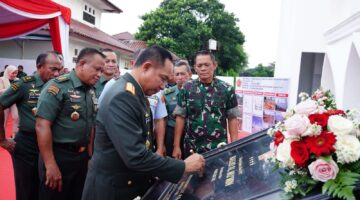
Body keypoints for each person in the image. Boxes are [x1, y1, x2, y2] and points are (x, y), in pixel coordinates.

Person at [81, 45, 205, 200]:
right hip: (114, 190)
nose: (163, 86)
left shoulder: (136, 93)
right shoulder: (123, 97)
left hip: (130, 183)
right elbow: (136, 156)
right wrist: (183, 166)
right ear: (146, 67)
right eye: (163, 78)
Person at [35, 48, 105, 200]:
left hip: (81, 157)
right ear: (82, 64)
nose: (99, 75)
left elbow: (91, 126)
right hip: (58, 156)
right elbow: (42, 125)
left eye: (101, 71)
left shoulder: (91, 91)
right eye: (97, 69)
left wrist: (90, 156)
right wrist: (50, 164)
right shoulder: (58, 86)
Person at [0, 52, 62, 200]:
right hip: (28, 145)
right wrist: (2, 139)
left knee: (49, 189)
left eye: (59, 70)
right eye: (53, 69)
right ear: (39, 66)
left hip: (52, 145)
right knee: (27, 189)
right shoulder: (24, 84)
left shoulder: (61, 86)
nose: (57, 73)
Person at [172, 50, 240, 159]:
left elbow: (232, 118)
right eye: (199, 65)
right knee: (191, 176)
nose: (203, 68)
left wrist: (235, 145)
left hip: (218, 148)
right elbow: (180, 117)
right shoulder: (186, 88)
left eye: (207, 65)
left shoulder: (227, 89)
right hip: (192, 148)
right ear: (195, 67)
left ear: (214, 65)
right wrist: (176, 146)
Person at [163, 60, 192, 156]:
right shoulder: (167, 94)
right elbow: (163, 119)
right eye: (177, 74)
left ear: (189, 74)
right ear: (174, 76)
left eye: (183, 74)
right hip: (171, 133)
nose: (180, 77)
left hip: (191, 134)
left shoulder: (197, 93)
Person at [0, 65, 20, 137]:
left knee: (16, 118)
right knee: (4, 120)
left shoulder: (18, 80)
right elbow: (0, 91)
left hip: (14, 101)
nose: (14, 75)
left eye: (16, 73)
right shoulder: (2, 79)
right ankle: (2, 136)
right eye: (13, 73)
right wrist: (11, 88)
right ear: (8, 72)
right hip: (4, 102)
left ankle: (14, 135)